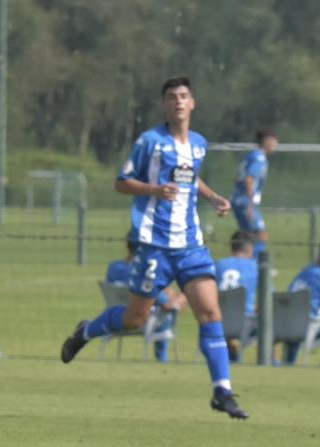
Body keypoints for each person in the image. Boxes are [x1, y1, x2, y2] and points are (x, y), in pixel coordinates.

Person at [60, 76, 249, 419]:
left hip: (191, 245)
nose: (178, 101)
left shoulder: (199, 144)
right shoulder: (149, 141)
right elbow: (121, 182)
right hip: (154, 245)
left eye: (183, 96)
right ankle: (86, 331)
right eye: (171, 96)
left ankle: (222, 390)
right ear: (164, 105)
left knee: (210, 312)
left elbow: (191, 177)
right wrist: (153, 190)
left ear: (192, 103)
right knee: (135, 319)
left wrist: (212, 197)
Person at [106, 239, 187, 362]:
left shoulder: (113, 267)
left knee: (168, 293)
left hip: (117, 317)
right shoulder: (143, 273)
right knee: (172, 304)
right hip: (143, 320)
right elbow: (164, 303)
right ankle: (162, 359)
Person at [231, 127, 278, 258]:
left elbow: (238, 178)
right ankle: (254, 264)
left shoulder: (250, 155)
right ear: (267, 141)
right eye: (274, 141)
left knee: (247, 236)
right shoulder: (259, 158)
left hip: (237, 200)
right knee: (261, 236)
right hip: (246, 202)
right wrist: (250, 204)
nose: (276, 145)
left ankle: (242, 263)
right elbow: (248, 178)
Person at [215, 231, 258, 362]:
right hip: (245, 322)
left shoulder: (218, 264)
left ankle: (232, 359)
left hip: (217, 319)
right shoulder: (255, 266)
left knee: (229, 324)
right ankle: (278, 363)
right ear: (249, 246)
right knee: (271, 325)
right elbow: (269, 296)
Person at [283, 248, 320, 364]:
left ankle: (288, 362)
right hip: (308, 323)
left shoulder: (306, 270)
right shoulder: (319, 273)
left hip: (285, 320)